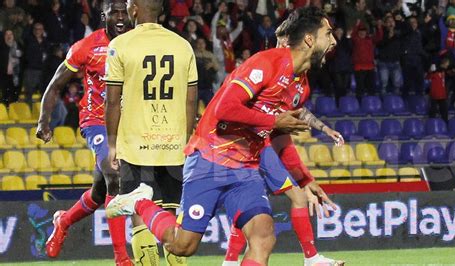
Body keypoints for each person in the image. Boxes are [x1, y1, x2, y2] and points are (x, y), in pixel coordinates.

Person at [106, 6, 338, 266]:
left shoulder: (300, 85)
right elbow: (224, 108)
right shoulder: (266, 62)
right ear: (309, 38)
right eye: (328, 34)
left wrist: (303, 179)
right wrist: (273, 120)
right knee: (182, 245)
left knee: (263, 236)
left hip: (246, 168)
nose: (334, 41)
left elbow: (280, 136)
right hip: (210, 158)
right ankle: (140, 202)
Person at [222, 17, 345, 266]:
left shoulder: (301, 83)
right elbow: (238, 109)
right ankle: (309, 259)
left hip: (259, 144)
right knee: (271, 203)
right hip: (236, 143)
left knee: (267, 203)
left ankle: (232, 260)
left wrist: (306, 175)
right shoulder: (266, 68)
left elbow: (284, 128)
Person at [36, 1, 135, 265]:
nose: (120, 17)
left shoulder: (137, 44)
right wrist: (44, 121)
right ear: (103, 16)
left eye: (124, 12)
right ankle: (122, 259)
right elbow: (55, 85)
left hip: (129, 124)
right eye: (114, 12)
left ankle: (63, 221)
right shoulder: (87, 46)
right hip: (97, 122)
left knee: (100, 194)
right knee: (114, 173)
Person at [104, 0, 198, 265]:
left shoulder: (119, 45)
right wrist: (186, 138)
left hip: (135, 145)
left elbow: (112, 102)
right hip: (173, 145)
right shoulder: (183, 46)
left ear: (134, 10)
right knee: (171, 216)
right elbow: (191, 101)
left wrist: (112, 145)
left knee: (139, 211)